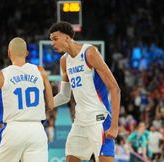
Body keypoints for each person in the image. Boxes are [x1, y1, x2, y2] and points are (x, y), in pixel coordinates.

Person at [49, 21, 121, 162]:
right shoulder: (64, 61)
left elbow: (115, 88)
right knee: (71, 158)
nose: (52, 43)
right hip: (80, 121)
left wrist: (114, 126)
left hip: (99, 119)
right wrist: (44, 104)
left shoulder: (89, 53)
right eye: (51, 40)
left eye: (55, 39)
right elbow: (64, 96)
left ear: (67, 38)